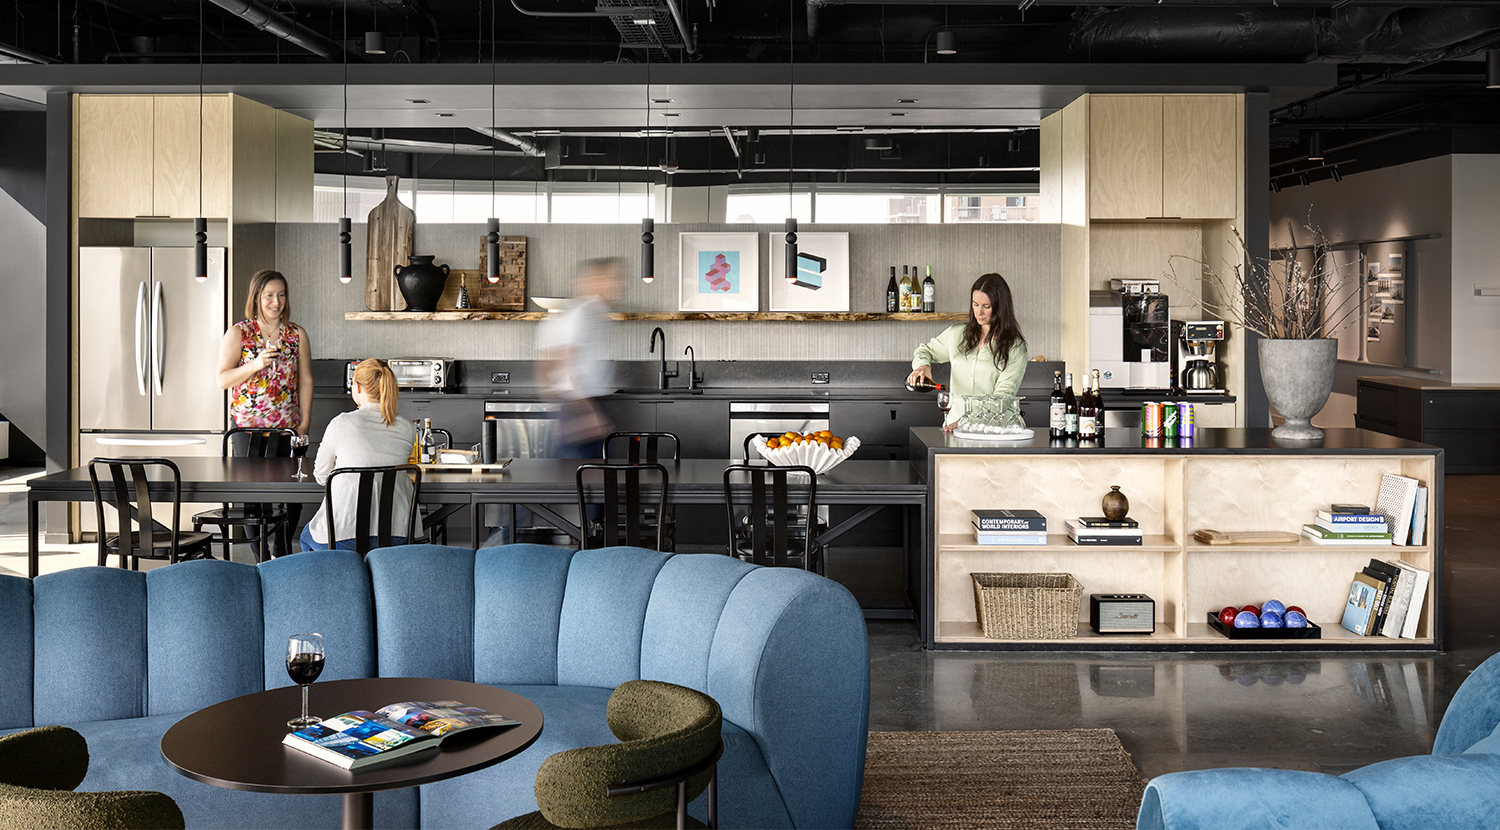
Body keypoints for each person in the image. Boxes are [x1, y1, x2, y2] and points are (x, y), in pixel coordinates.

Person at [216, 269, 313, 556]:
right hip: (247, 429)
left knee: (292, 493)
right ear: (256, 297)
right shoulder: (239, 332)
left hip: (288, 429)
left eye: (281, 294)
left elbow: (305, 379)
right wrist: (256, 364)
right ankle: (260, 555)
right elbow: (222, 379)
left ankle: (281, 548)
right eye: (269, 295)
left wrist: (305, 422)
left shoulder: (296, 334)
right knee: (252, 495)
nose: (276, 301)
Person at [301, 359, 419, 552]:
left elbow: (322, 477)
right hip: (398, 533)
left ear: (356, 386)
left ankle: (337, 578)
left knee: (306, 537)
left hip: (343, 534)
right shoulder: (408, 426)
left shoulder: (341, 423)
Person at [906, 272, 1029, 430]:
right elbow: (924, 351)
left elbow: (1002, 397)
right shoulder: (957, 334)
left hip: (993, 430)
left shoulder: (1015, 347)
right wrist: (923, 366)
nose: (979, 312)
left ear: (1000, 307)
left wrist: (965, 423)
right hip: (953, 428)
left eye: (987, 306)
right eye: (975, 304)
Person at [537, 257, 624, 458]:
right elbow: (566, 367)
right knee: (581, 477)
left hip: (581, 405)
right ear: (596, 280)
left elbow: (547, 364)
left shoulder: (592, 314)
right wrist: (587, 412)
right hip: (580, 406)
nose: (619, 284)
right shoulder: (582, 315)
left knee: (584, 477)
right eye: (613, 278)